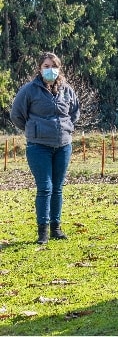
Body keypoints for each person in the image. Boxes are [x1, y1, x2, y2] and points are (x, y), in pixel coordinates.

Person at [10, 52, 80, 244]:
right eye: (46, 66)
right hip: (38, 146)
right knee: (45, 188)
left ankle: (56, 228)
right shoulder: (29, 90)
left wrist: (67, 128)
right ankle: (43, 232)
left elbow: (75, 111)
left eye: (53, 66)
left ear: (59, 68)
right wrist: (34, 129)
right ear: (40, 69)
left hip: (63, 146)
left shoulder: (67, 89)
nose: (50, 70)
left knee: (57, 188)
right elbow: (16, 114)